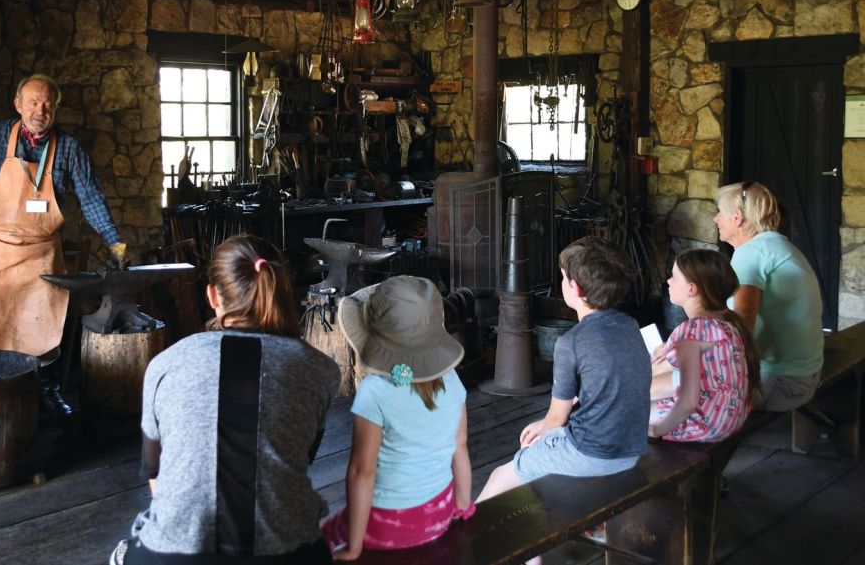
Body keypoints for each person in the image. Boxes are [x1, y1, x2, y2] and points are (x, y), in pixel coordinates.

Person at [110, 234, 340, 565]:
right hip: (288, 551)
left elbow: (155, 472)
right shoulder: (320, 370)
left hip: (176, 555)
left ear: (213, 295)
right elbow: (299, 459)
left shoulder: (166, 364)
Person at [0, 74, 127, 363]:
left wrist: (114, 241)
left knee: (42, 331)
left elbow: (90, 197)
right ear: (18, 104)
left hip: (42, 257)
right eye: (33, 102)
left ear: (55, 109)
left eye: (47, 105)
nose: (39, 111)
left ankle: (45, 390)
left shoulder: (69, 148)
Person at [477, 237, 650, 509]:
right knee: (540, 450)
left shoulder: (571, 342)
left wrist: (544, 430)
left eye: (563, 277)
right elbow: (608, 387)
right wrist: (546, 428)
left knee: (503, 476)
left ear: (575, 288)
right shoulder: (629, 325)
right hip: (631, 449)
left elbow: (557, 417)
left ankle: (468, 543)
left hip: (591, 452)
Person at [321, 276, 474, 560]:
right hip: (439, 514)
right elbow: (460, 447)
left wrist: (354, 547)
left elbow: (361, 473)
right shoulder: (452, 380)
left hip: (388, 526)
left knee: (320, 542)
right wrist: (462, 504)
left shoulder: (374, 392)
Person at [714, 182, 824, 411]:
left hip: (782, 383)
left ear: (737, 217)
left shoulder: (750, 254)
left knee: (679, 386)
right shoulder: (776, 245)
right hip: (804, 374)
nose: (716, 219)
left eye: (720, 213)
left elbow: (743, 323)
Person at [649, 249, 760, 441]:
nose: (668, 281)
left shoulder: (691, 329)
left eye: (674, 277)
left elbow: (688, 402)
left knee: (629, 414)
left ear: (692, 289)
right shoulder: (730, 324)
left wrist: (658, 431)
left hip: (703, 422)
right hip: (731, 418)